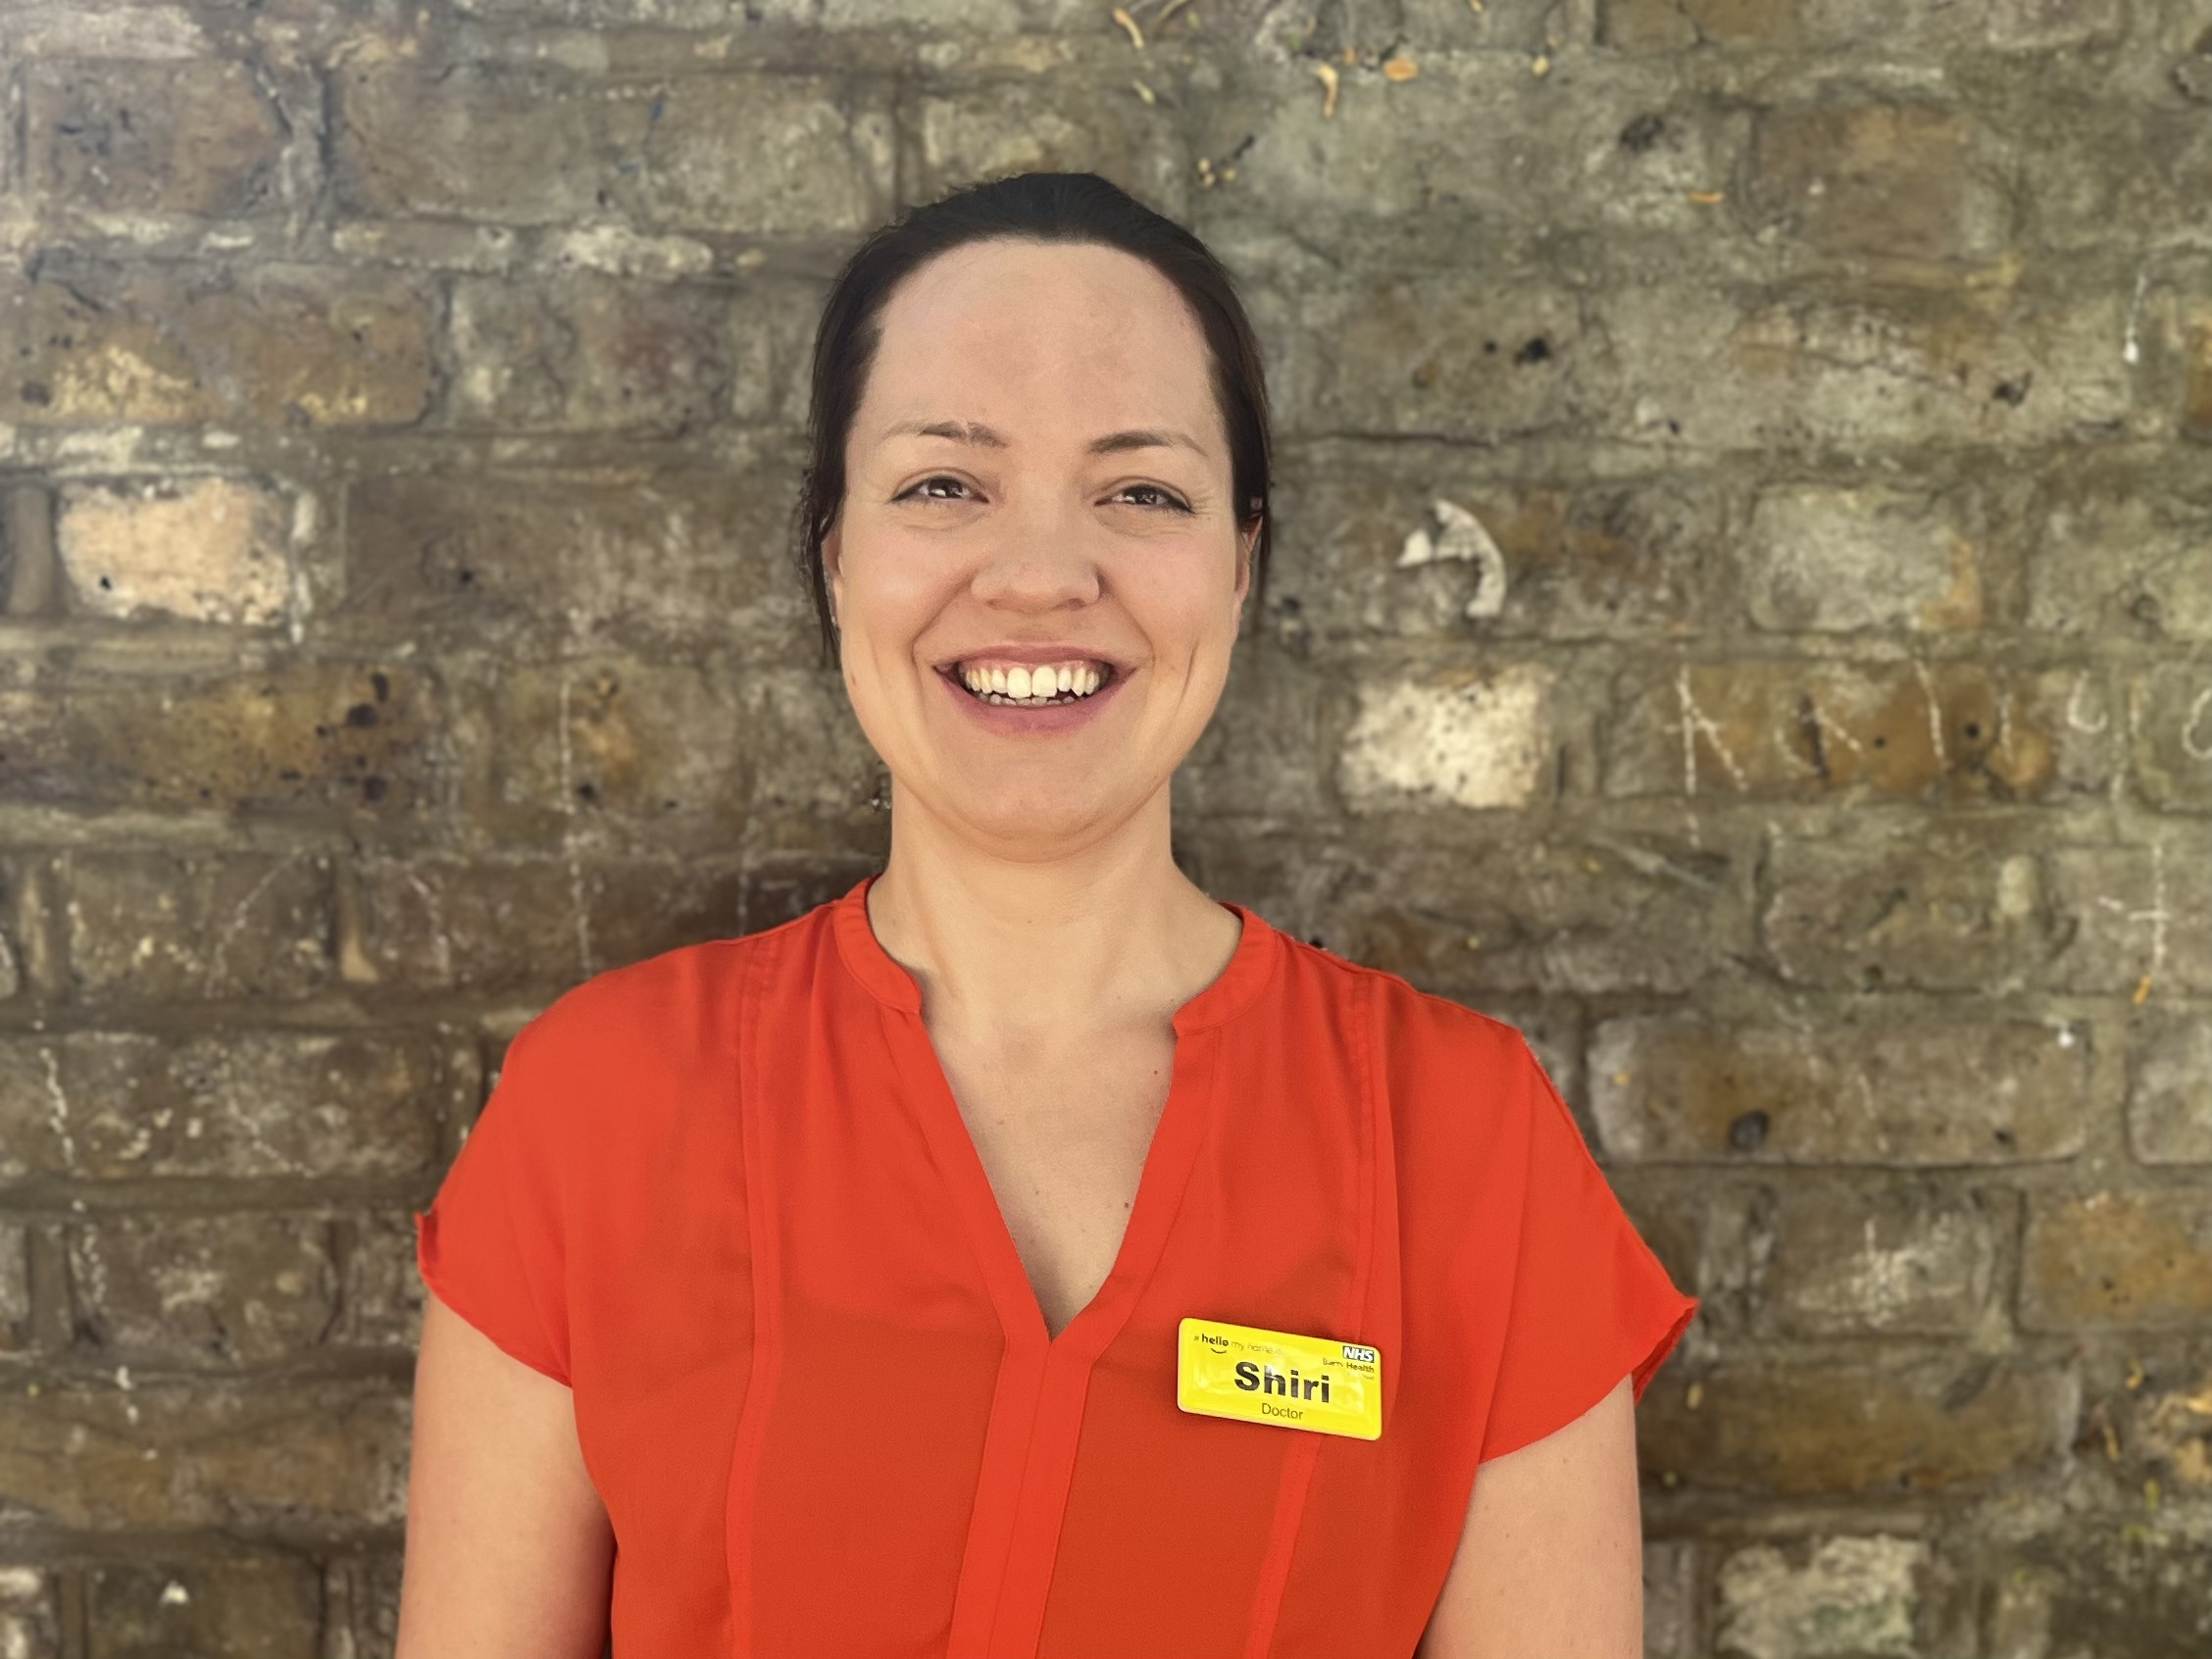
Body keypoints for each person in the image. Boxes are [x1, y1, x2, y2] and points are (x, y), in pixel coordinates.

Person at [395, 171, 1696, 1659]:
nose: (1037, 576)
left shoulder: (1466, 1145)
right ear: (835, 552)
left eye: (1140, 490)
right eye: (945, 484)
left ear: (1240, 560)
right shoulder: (603, 1106)